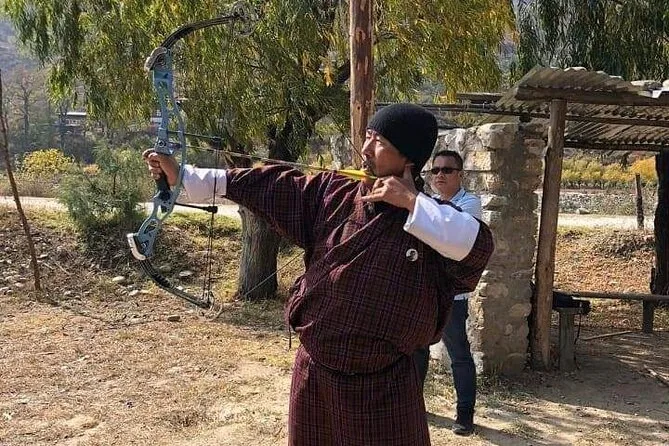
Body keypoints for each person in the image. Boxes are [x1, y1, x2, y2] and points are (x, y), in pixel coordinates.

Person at [145, 103, 493, 445]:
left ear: (408, 160)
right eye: (368, 136)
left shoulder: (432, 219)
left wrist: (412, 202)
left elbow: (476, 246)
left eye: (380, 142)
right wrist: (184, 177)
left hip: (384, 387)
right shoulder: (333, 192)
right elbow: (267, 185)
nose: (366, 149)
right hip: (315, 375)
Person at [413, 150, 482, 436]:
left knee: (458, 353)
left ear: (460, 174)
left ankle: (465, 413)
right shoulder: (427, 203)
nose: (440, 175)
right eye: (435, 170)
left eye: (447, 170)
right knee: (417, 349)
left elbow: (450, 238)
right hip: (425, 290)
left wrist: (424, 213)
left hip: (452, 294)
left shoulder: (470, 203)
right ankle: (413, 405)